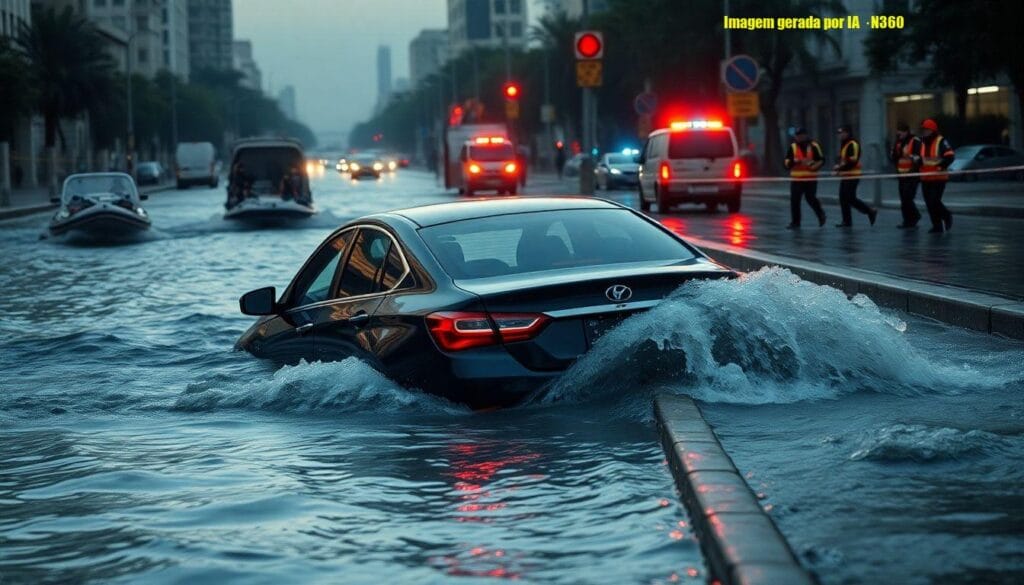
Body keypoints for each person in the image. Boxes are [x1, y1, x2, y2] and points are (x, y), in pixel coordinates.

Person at [833, 124, 877, 227]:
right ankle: (847, 221)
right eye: (839, 133)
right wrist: (838, 165)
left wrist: (839, 168)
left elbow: (852, 161)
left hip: (853, 175)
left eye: (842, 133)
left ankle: (869, 211)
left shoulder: (853, 144)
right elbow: (843, 159)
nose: (840, 135)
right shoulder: (844, 144)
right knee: (843, 198)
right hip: (846, 175)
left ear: (847, 133)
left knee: (850, 197)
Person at [783, 128, 826, 229]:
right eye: (797, 136)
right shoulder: (793, 147)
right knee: (795, 201)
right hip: (797, 179)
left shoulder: (814, 146)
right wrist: (795, 162)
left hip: (810, 179)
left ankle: (820, 214)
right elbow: (786, 162)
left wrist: (813, 166)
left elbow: (821, 160)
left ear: (806, 135)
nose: (799, 137)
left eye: (801, 135)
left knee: (810, 198)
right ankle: (795, 222)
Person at [918, 118, 955, 233]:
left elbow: (950, 157)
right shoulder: (921, 142)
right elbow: (920, 159)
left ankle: (947, 215)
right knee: (929, 203)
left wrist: (940, 166)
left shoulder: (941, 141)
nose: (924, 132)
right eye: (923, 129)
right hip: (925, 177)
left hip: (939, 177)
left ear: (932, 130)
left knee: (934, 200)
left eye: (926, 129)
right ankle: (937, 226)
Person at [890, 121, 923, 228]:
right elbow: (895, 157)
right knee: (903, 199)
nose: (899, 135)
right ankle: (908, 220)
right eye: (898, 133)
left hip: (912, 174)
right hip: (902, 175)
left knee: (907, 197)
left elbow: (918, 157)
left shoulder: (915, 141)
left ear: (906, 132)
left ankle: (914, 217)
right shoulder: (899, 142)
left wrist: (913, 169)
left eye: (901, 133)